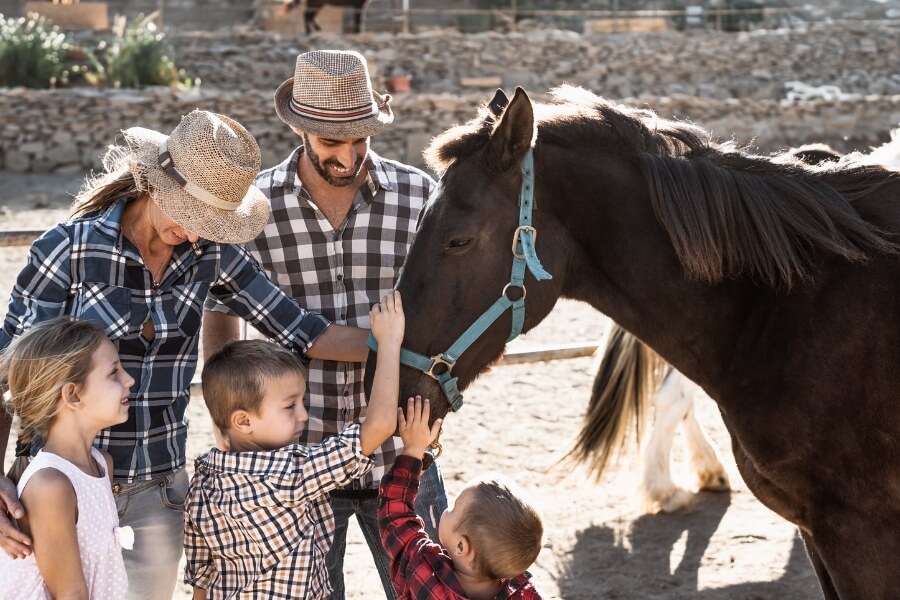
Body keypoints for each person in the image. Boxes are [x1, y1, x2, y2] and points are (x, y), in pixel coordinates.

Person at [0, 109, 368, 600]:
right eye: (190, 215)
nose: (196, 234)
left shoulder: (211, 253)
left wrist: (406, 349)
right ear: (157, 184)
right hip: (56, 492)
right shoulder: (68, 250)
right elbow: (8, 369)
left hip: (159, 493)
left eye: (211, 223)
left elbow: (304, 330)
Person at [201, 49, 448, 598]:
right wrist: (225, 422)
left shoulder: (420, 197)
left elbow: (451, 303)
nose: (350, 153)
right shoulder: (254, 206)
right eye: (333, 141)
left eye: (362, 138)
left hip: (404, 451)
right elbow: (221, 311)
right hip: (295, 459)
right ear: (300, 128)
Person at [185, 290, 405, 599]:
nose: (304, 414)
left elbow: (202, 578)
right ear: (243, 421)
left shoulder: (202, 482)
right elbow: (379, 425)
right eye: (290, 406)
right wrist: (389, 343)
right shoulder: (291, 474)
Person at [0, 318, 134, 599]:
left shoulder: (101, 464)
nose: (129, 380)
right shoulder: (51, 485)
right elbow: (70, 593)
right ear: (72, 395)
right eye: (114, 372)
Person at [378, 397, 544, 600]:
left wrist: (413, 449)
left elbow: (395, 515)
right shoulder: (526, 594)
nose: (447, 510)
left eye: (454, 508)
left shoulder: (426, 573)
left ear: (461, 546)